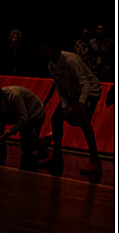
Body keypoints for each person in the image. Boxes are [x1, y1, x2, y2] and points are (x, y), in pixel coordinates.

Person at [37, 39, 102, 175]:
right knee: (56, 118)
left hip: (90, 91)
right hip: (73, 94)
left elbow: (85, 84)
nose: (42, 54)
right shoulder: (51, 66)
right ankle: (57, 157)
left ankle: (95, 160)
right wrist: (66, 106)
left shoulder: (71, 60)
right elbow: (60, 89)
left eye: (44, 51)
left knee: (84, 122)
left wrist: (81, 103)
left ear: (53, 48)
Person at [0, 81, 46, 169]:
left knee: (27, 148)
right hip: (16, 113)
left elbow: (24, 119)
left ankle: (45, 141)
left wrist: (7, 134)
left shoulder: (14, 96)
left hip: (34, 115)